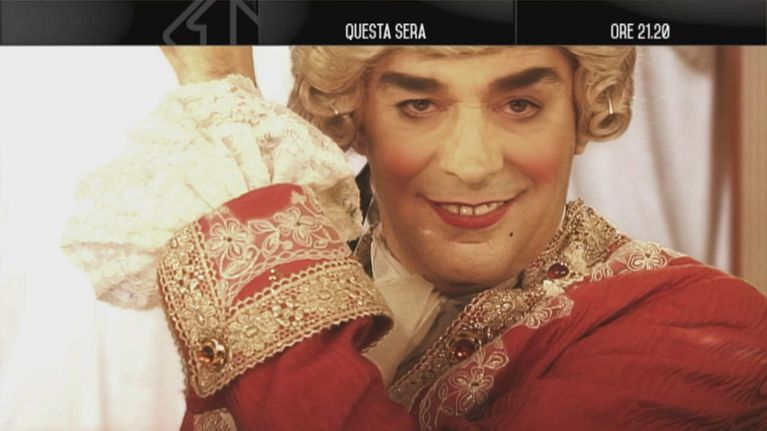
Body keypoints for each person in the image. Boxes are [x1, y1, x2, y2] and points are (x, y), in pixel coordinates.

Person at [62, 46, 767, 430]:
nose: (472, 162)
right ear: (353, 117)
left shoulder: (710, 326)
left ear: (584, 113)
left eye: (521, 103)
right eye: (418, 104)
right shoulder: (303, 279)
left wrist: (221, 92)